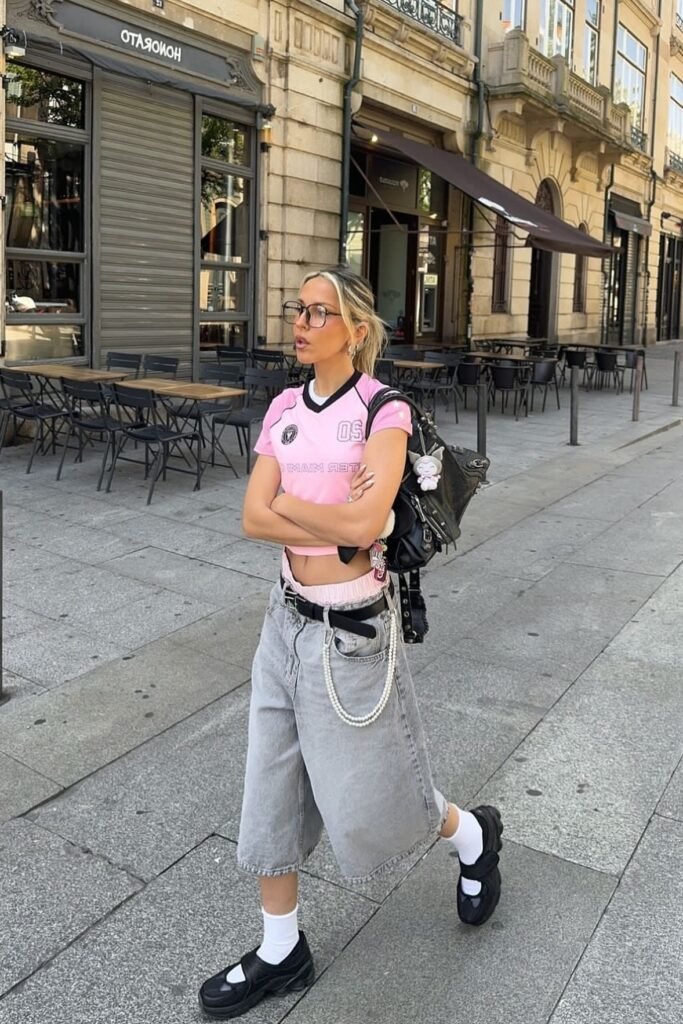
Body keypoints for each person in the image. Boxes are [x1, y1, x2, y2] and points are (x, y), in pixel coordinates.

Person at [199, 267, 503, 1020]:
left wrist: (307, 512)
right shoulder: (281, 408)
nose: (300, 323)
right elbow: (252, 517)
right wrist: (331, 519)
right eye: (296, 309)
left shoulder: (382, 412)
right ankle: (280, 950)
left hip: (352, 637)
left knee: (372, 804)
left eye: (318, 312)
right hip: (285, 619)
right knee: (267, 790)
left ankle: (472, 833)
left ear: (356, 329)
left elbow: (363, 531)